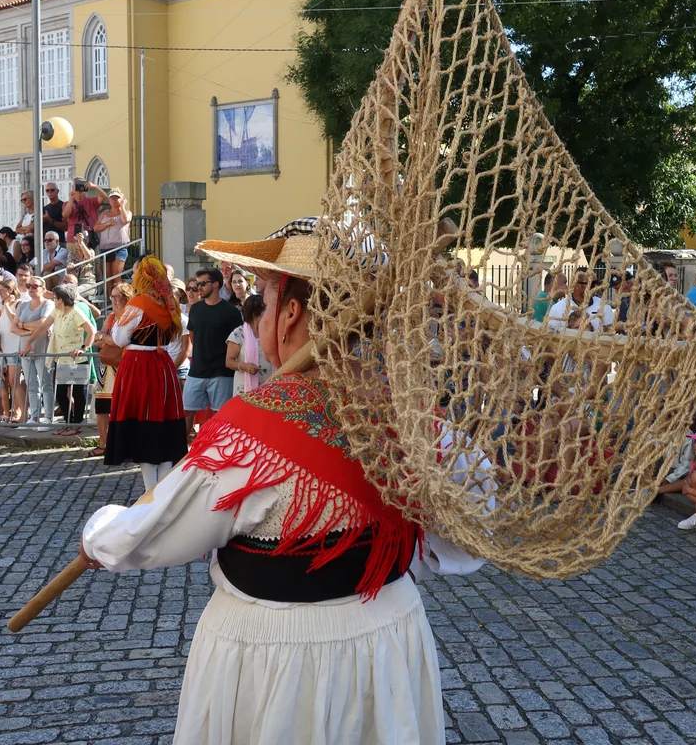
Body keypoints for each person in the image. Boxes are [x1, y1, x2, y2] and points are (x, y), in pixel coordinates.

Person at [80, 224, 473, 744]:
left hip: (277, 654)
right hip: (388, 637)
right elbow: (468, 533)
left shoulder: (250, 431)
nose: (260, 316)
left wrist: (98, 536)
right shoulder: (419, 420)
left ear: (290, 313)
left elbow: (147, 535)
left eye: (264, 301)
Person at [103, 257, 188, 487]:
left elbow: (119, 339)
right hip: (163, 366)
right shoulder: (170, 303)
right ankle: (165, 489)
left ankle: (151, 491)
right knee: (163, 423)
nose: (133, 276)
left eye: (136, 272)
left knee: (143, 425)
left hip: (139, 366)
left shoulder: (138, 303)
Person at [184, 267, 243, 439]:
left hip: (222, 373)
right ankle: (180, 451)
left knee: (221, 416)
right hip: (197, 371)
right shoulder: (195, 309)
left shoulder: (231, 312)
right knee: (187, 412)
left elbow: (237, 341)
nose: (199, 288)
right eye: (197, 284)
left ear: (216, 284)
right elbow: (193, 337)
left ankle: (216, 450)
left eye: (202, 284)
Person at [89, 283, 135, 459]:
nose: (114, 300)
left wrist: (107, 338)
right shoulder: (111, 317)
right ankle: (104, 444)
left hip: (125, 366)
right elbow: (98, 339)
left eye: (118, 296)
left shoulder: (131, 316)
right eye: (112, 296)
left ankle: (125, 445)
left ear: (127, 297)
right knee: (102, 406)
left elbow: (121, 341)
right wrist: (107, 338)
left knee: (125, 406)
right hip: (107, 366)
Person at [50, 284, 96, 436]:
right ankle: (69, 422)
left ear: (61, 300)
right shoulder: (57, 311)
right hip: (63, 359)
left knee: (78, 392)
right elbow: (43, 326)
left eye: (55, 298)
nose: (53, 300)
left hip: (78, 359)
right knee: (61, 393)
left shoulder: (76, 311)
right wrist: (29, 342)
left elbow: (91, 331)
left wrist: (83, 348)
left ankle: (77, 424)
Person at [17, 277, 56, 425]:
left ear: (43, 288)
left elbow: (43, 323)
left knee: (46, 383)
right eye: (28, 285)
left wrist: (23, 325)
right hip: (25, 350)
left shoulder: (48, 303)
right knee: (31, 385)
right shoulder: (23, 305)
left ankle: (48, 417)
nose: (31, 288)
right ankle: (34, 416)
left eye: (35, 286)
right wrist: (30, 328)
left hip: (42, 348)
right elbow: (13, 326)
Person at [225, 294, 272, 397]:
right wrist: (244, 366)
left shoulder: (270, 332)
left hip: (269, 388)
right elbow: (229, 362)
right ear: (255, 315)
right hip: (245, 390)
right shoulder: (238, 334)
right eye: (266, 312)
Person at [0, 279, 26, 423]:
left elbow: (15, 321)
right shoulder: (2, 305)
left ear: (10, 290)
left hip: (15, 347)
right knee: (11, 382)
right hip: (6, 347)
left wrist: (7, 305)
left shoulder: (19, 303)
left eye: (1, 290)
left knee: (14, 381)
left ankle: (23, 414)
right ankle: (18, 411)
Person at [544, 268, 613, 333]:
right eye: (592, 284)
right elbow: (551, 335)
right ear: (577, 285)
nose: (596, 287)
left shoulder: (604, 306)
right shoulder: (558, 308)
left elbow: (609, 334)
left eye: (596, 283)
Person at [95, 187, 132, 288]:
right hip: (105, 248)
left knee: (116, 276)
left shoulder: (127, 212)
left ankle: (120, 296)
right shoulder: (105, 213)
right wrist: (107, 223)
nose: (113, 200)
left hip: (119, 248)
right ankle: (109, 297)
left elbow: (125, 220)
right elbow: (96, 228)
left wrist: (122, 206)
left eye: (116, 198)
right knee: (107, 278)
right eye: (111, 198)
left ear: (121, 199)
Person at [63, 177, 107, 243]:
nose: (80, 187)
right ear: (73, 187)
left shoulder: (91, 201)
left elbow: (104, 197)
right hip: (73, 239)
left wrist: (94, 186)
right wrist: (71, 199)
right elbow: (65, 215)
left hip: (89, 239)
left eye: (82, 184)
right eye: (77, 185)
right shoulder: (67, 203)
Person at [165, 279, 192, 383]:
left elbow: (186, 350)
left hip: (180, 370)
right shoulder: (160, 319)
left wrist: (172, 368)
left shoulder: (184, 321)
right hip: (164, 368)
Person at [14, 190, 36, 261]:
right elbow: (17, 229)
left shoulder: (38, 212)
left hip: (33, 245)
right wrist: (25, 231)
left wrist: (23, 229)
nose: (23, 202)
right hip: (23, 243)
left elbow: (31, 228)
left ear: (33, 198)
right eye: (22, 200)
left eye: (25, 199)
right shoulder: (26, 214)